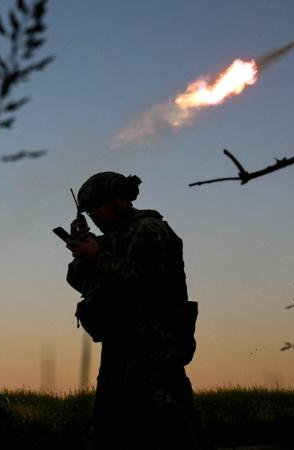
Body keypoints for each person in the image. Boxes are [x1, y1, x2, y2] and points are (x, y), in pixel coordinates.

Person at [65, 172, 199, 450]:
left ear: (120, 200)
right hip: (121, 348)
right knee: (110, 431)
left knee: (170, 431)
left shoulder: (149, 229)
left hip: (154, 350)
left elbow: (146, 283)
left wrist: (98, 256)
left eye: (97, 207)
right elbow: (80, 282)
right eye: (89, 211)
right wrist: (83, 249)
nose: (94, 215)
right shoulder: (110, 239)